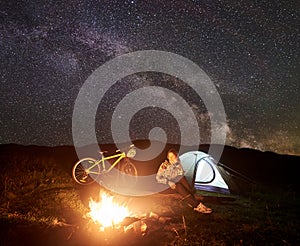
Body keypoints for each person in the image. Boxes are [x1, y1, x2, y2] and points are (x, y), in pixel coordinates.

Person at [156, 148, 212, 214]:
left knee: (180, 183)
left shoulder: (178, 165)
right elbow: (158, 178)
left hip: (173, 186)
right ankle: (195, 203)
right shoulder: (164, 165)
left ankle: (195, 203)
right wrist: (168, 182)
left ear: (176, 157)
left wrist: (175, 167)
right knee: (179, 185)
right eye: (169, 157)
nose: (171, 159)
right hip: (162, 187)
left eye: (173, 157)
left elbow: (179, 177)